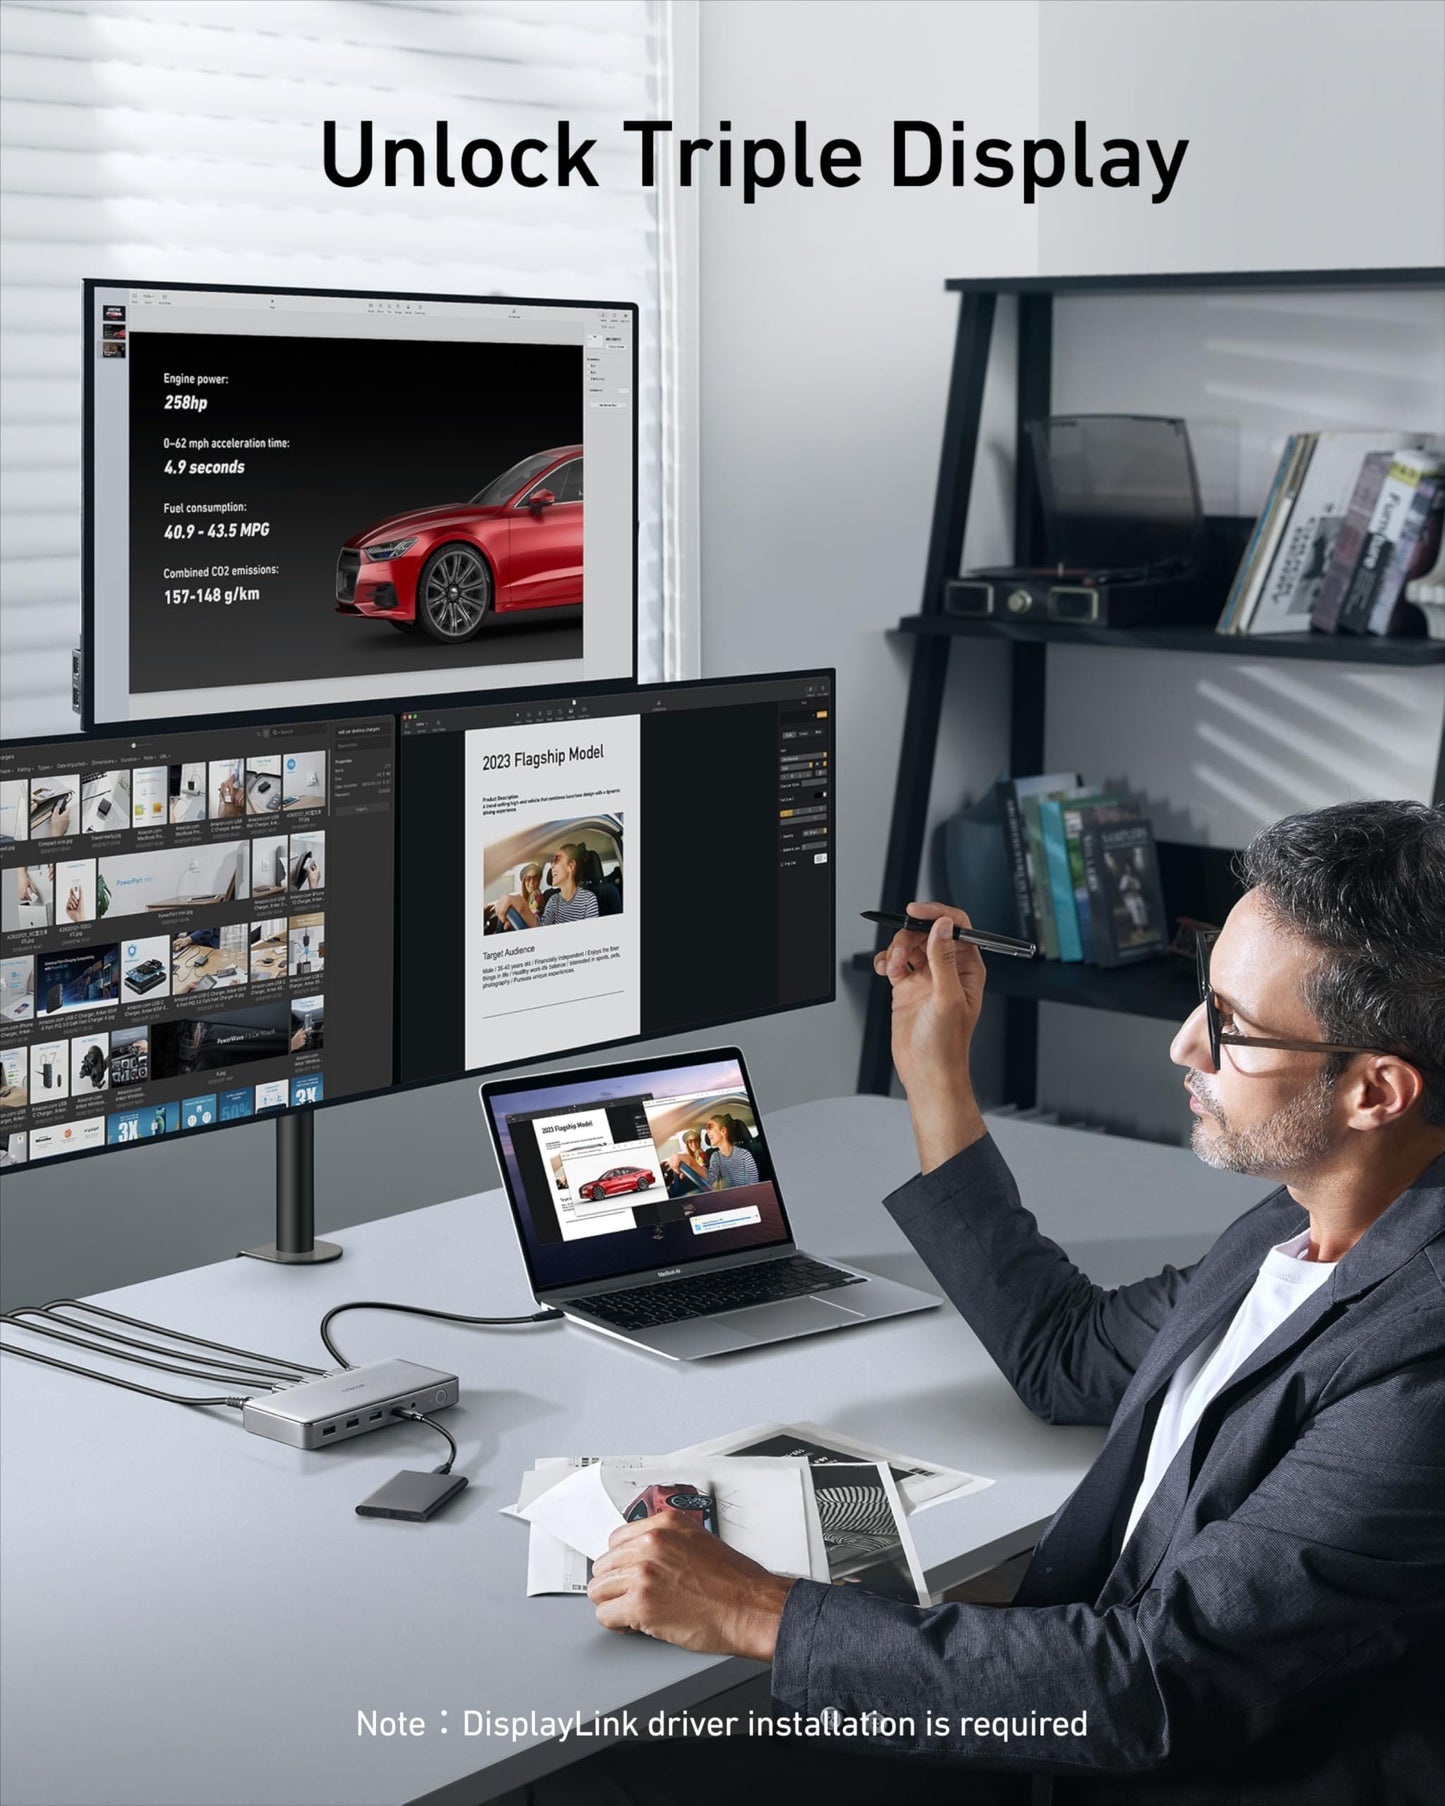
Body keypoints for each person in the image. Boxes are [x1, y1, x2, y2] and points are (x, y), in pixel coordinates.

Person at [571, 800, 1445, 1805]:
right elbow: (1064, 1353)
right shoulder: (1296, 1228)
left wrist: (762, 1612)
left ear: (1373, 1092)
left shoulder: (1417, 1362)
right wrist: (935, 1070)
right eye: (1199, 994)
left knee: (607, 1781)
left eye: (1232, 1028)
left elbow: (1154, 1688)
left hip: (1135, 1762)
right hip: (1061, 1707)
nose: (1182, 1047)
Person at [538, 843, 598, 926]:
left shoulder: (588, 900)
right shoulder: (553, 900)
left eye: (557, 860)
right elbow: (541, 926)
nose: (552, 865)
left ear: (571, 866)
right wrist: (522, 906)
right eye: (552, 862)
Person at [704, 1114, 758, 1189]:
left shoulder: (744, 1155)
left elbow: (754, 1186)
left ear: (723, 1131)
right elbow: (711, 1181)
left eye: (710, 1127)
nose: (707, 1131)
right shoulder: (715, 1157)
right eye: (706, 1128)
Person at [492, 862, 544, 930]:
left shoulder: (537, 896)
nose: (532, 882)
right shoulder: (522, 896)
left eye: (535, 879)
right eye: (528, 879)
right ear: (524, 881)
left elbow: (534, 917)